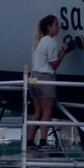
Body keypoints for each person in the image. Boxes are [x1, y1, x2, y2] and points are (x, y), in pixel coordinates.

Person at [26, 14, 72, 149]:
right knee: (47, 111)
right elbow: (53, 65)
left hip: (33, 76)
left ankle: (29, 140)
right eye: (56, 25)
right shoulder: (51, 42)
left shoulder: (41, 41)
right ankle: (43, 141)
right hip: (45, 78)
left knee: (37, 111)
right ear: (49, 27)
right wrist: (63, 52)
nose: (58, 28)